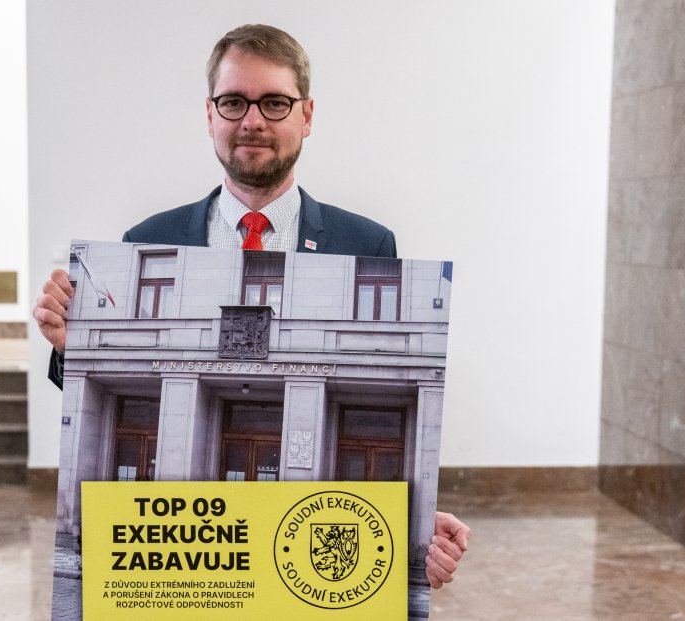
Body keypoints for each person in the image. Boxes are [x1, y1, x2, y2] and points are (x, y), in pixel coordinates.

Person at [33, 23, 470, 588]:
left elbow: (382, 398)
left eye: (275, 103)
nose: (253, 120)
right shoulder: (146, 240)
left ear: (306, 115)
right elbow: (102, 394)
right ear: (209, 114)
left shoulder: (367, 245)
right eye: (234, 102)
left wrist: (413, 522)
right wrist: (71, 345)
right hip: (186, 570)